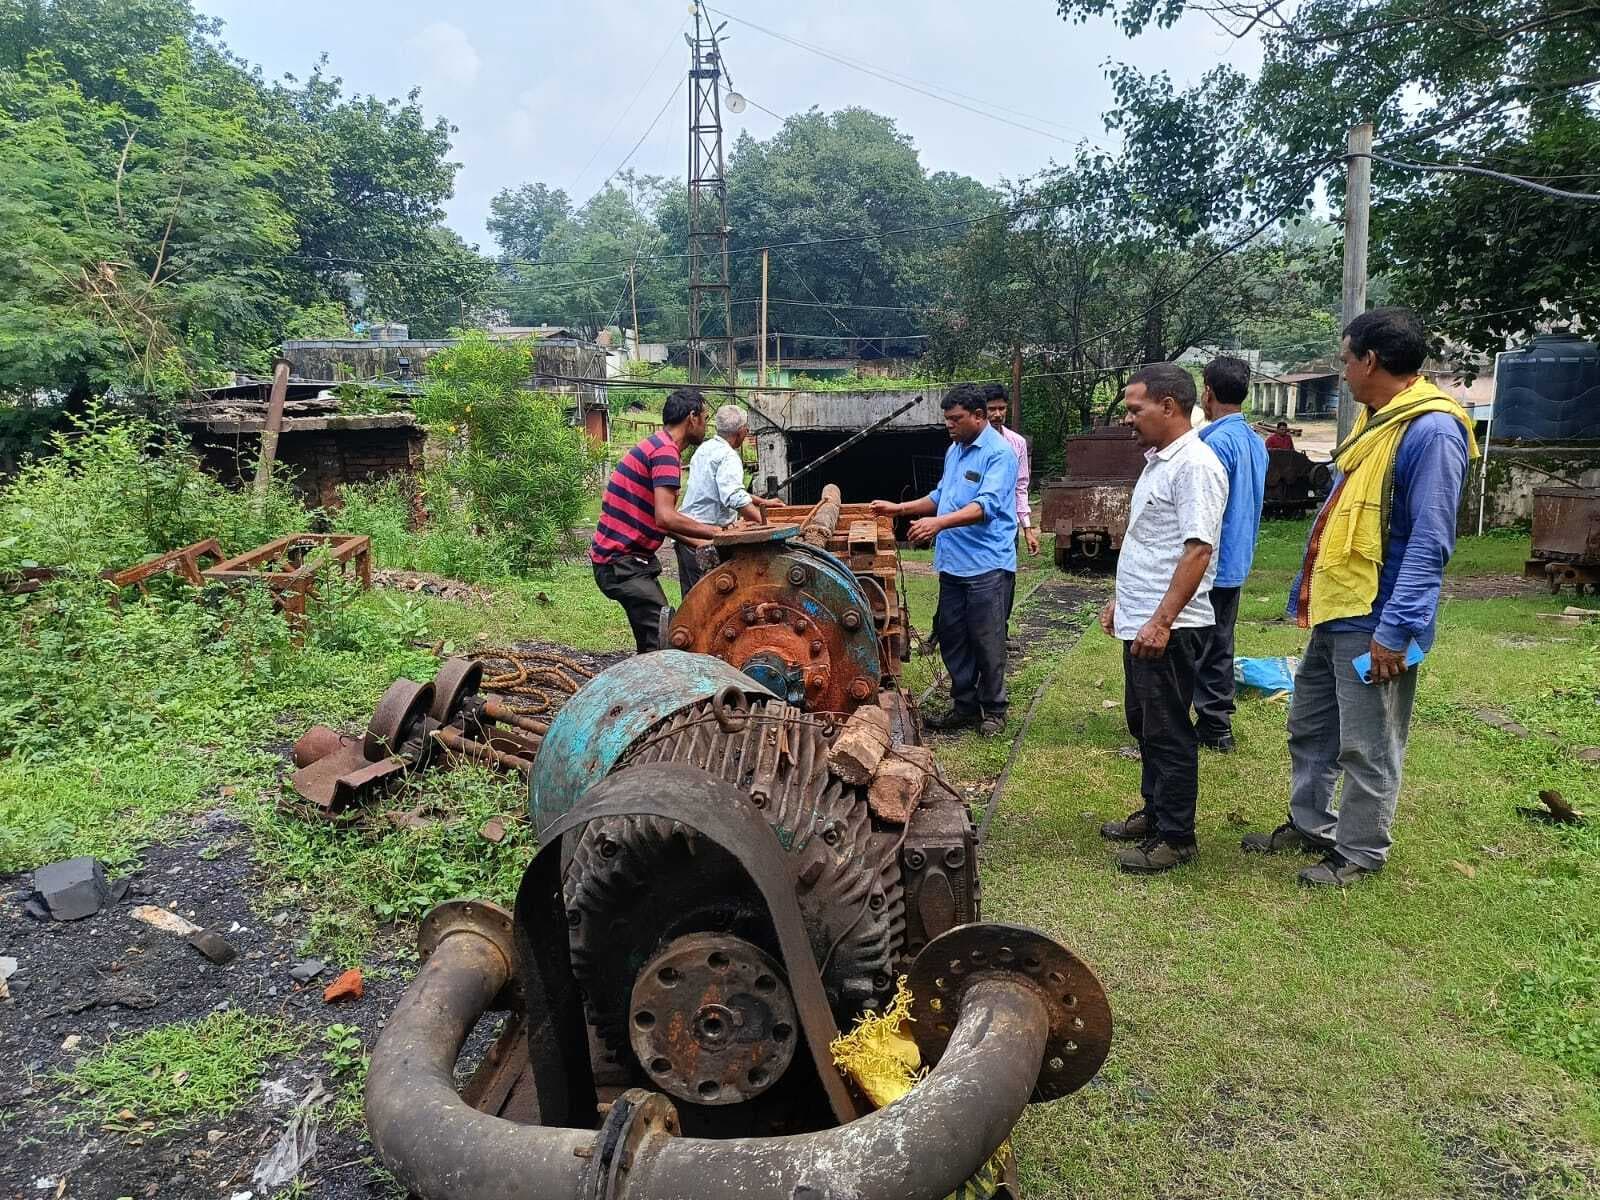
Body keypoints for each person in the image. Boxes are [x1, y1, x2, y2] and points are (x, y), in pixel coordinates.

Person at [1241, 307, 1477, 887]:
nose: (1342, 370)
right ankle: (1310, 824)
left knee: (1368, 743)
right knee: (1311, 726)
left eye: (1345, 359)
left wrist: (1395, 631)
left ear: (1370, 360)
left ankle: (1360, 850)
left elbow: (1430, 540)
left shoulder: (1430, 431)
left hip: (1377, 618)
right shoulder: (1377, 424)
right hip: (1339, 606)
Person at [1098, 363, 1228, 874]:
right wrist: (1123, 603)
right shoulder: (1160, 463)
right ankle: (1155, 814)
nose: (1128, 419)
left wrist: (1161, 620)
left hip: (1170, 628)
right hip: (1145, 619)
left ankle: (1176, 836)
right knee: (1145, 724)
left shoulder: (1195, 465)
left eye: (1136, 409)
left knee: (1168, 730)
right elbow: (1151, 544)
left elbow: (1198, 550)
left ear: (1169, 406)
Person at [872, 384, 1018, 737]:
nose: (949, 425)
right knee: (953, 637)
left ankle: (994, 709)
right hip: (953, 564)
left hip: (987, 565)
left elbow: (985, 506)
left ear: (979, 416)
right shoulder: (955, 450)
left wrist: (938, 524)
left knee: (987, 640)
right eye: (947, 419)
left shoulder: (999, 454)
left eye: (956, 419)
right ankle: (964, 705)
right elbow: (941, 496)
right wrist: (900, 509)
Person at [590, 388, 723, 653]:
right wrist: (717, 532)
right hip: (622, 563)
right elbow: (665, 518)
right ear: (692, 417)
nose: (706, 426)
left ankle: (645, 670)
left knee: (655, 638)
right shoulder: (665, 452)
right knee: (668, 639)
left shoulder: (657, 445)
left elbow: (659, 519)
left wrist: (702, 541)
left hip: (620, 561)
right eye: (705, 419)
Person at [1194, 356, 1268, 753]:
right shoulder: (1254, 441)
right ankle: (1217, 724)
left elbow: (1205, 509)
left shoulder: (1215, 444)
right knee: (1220, 642)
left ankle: (1211, 723)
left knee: (1197, 644)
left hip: (1210, 561)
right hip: (1236, 559)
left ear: (1207, 392)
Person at [676, 404, 781, 594]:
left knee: (692, 598)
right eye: (746, 428)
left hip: (686, 534)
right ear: (741, 432)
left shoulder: (705, 448)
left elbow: (723, 489)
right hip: (704, 538)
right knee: (711, 601)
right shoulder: (728, 456)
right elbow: (734, 496)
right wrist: (769, 527)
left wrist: (763, 502)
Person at [984, 383, 1038, 643]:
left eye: (1001, 408)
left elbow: (1021, 486)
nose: (997, 414)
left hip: (1006, 526)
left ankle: (1001, 634)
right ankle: (940, 632)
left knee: (1006, 579)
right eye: (992, 409)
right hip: (977, 523)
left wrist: (1027, 528)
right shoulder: (971, 441)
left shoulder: (1017, 443)